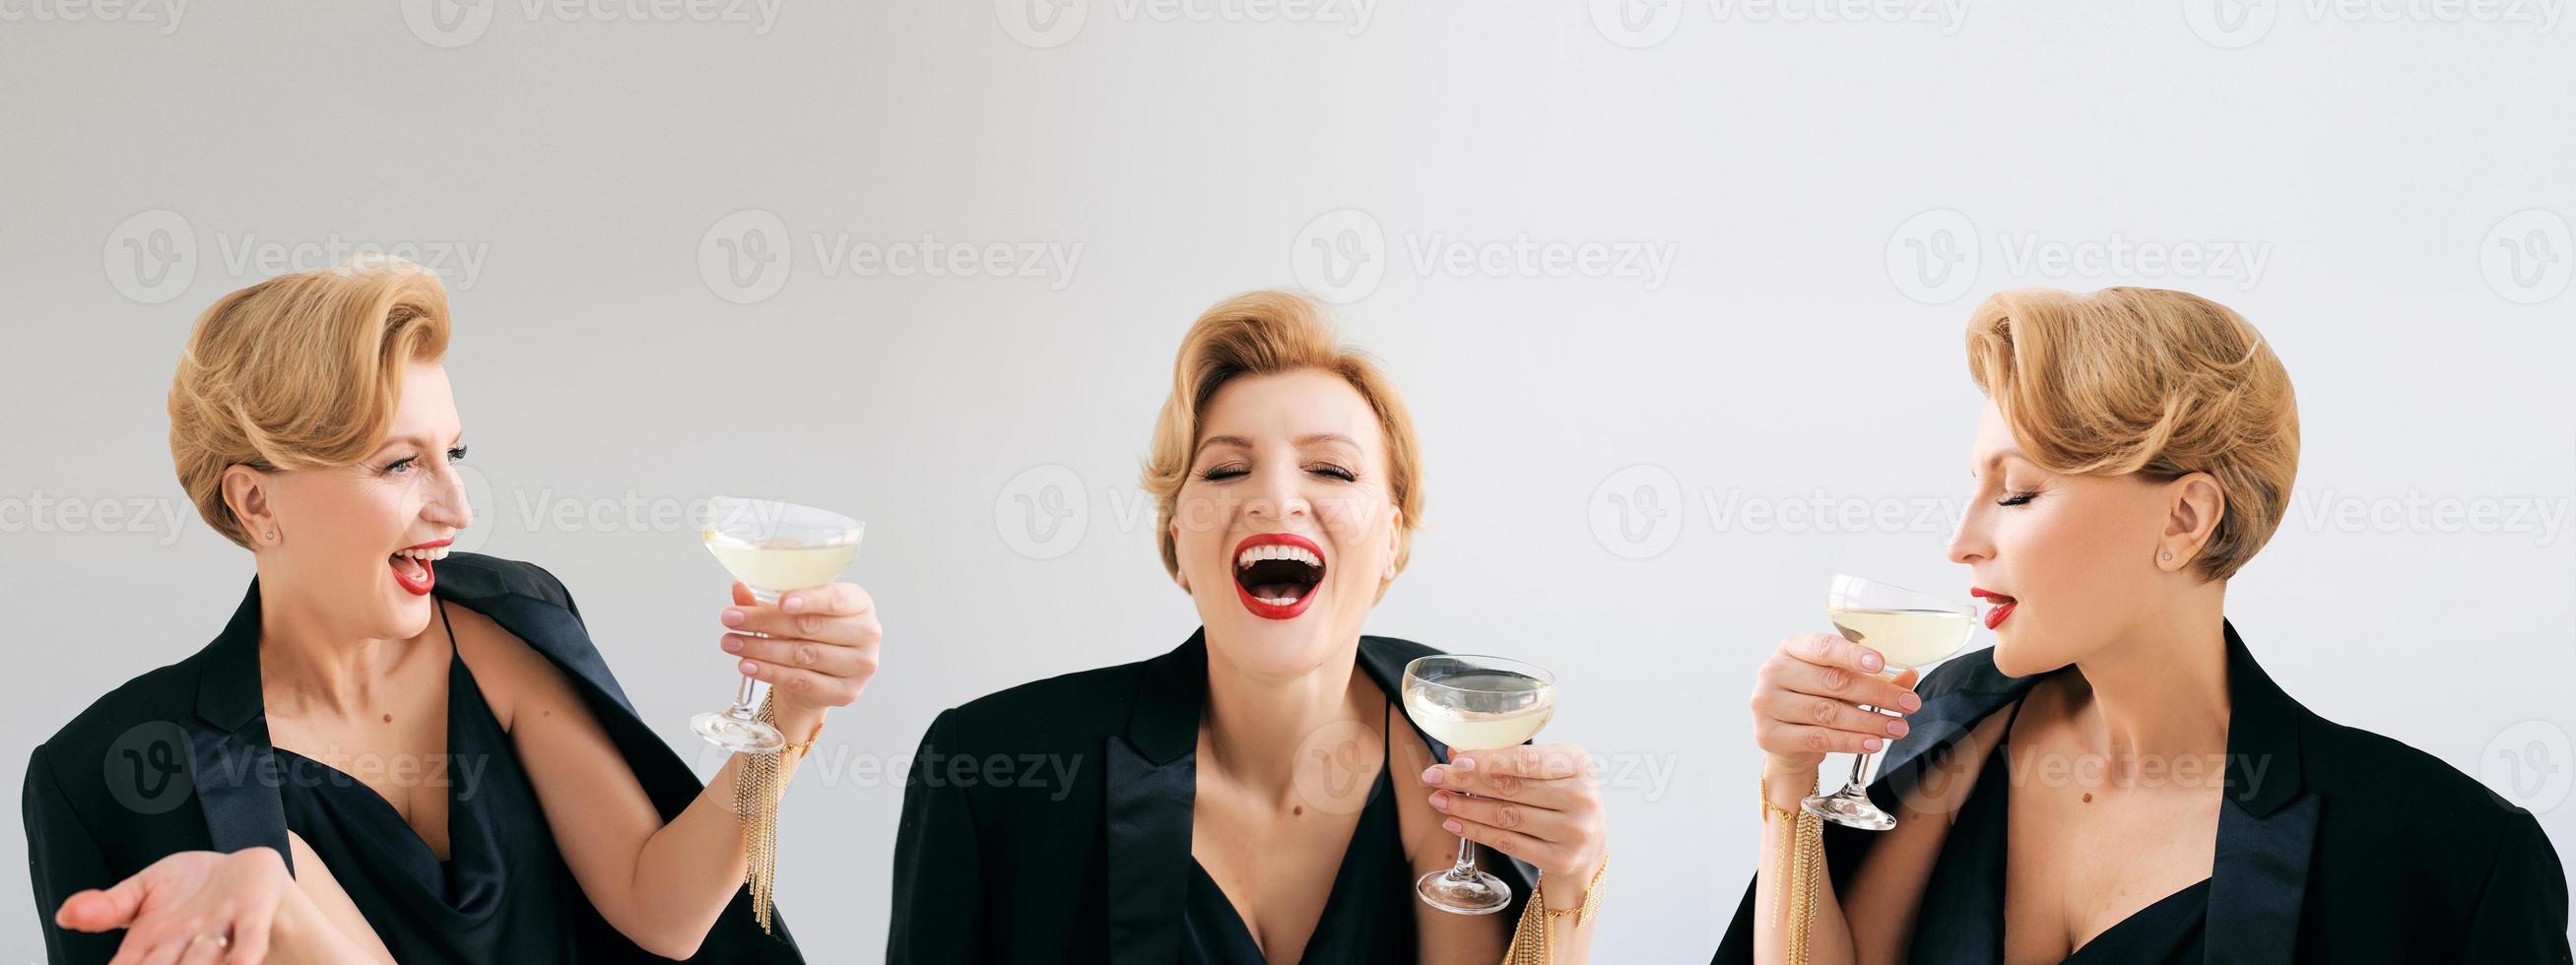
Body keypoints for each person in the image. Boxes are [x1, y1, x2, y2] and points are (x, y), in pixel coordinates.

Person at [25, 259, 883, 963]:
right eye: (400, 465)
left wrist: (792, 711)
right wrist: (273, 908)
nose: (457, 508)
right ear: (254, 503)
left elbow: (663, 909)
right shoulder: (125, 769)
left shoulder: (504, 619)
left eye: (454, 452)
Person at [1719, 287, 2572, 963]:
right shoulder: (1949, 718)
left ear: (2183, 521)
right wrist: (1790, 780)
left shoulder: (2448, 853)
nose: (1960, 544)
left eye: (2015, 493)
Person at [888, 290, 1611, 963]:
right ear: (1177, 545)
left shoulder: (1467, 744)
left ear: (1391, 540)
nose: (1274, 497)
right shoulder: (989, 768)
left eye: (1330, 469)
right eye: (1227, 471)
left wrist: (1571, 884)